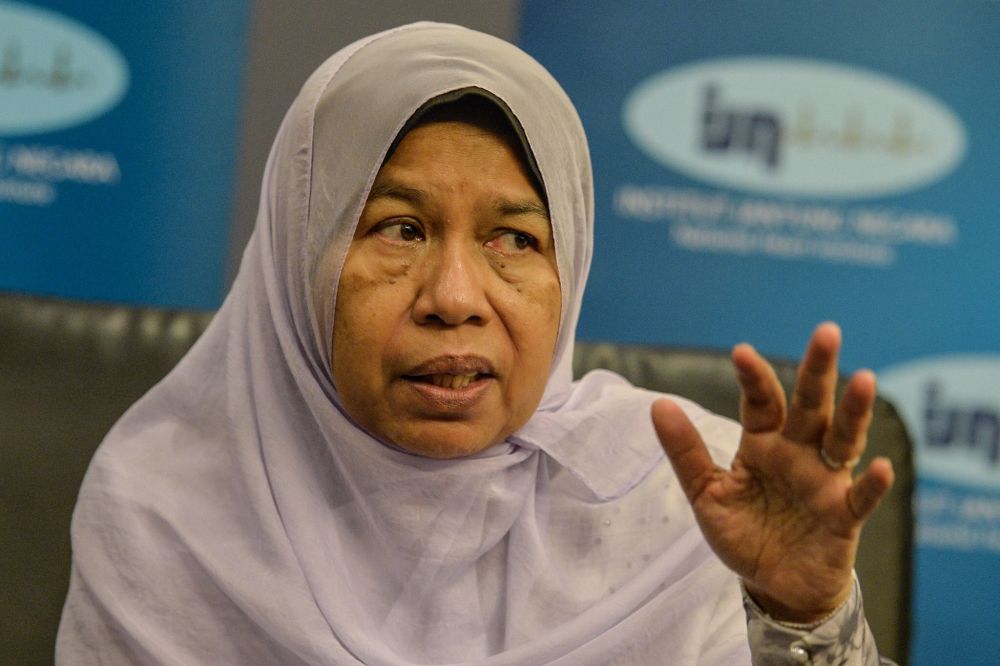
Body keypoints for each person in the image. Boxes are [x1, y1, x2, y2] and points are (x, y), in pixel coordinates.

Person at [56, 22, 896, 665]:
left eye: (515, 240)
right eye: (399, 228)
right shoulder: (166, 506)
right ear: (298, 256)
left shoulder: (690, 502)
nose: (455, 298)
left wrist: (804, 622)